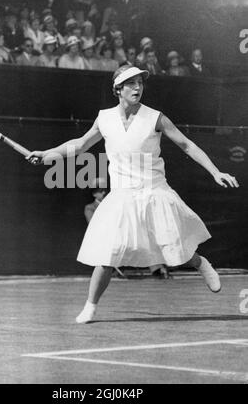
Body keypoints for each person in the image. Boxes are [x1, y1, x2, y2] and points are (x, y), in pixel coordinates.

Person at [27, 65, 239, 324]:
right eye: (130, 83)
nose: (137, 87)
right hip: (121, 196)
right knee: (108, 255)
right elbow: (80, 144)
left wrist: (215, 172)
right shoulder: (104, 118)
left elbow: (187, 144)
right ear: (118, 89)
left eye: (140, 82)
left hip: (154, 190)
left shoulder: (155, 118)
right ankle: (91, 307)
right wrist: (48, 153)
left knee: (174, 249)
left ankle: (201, 264)